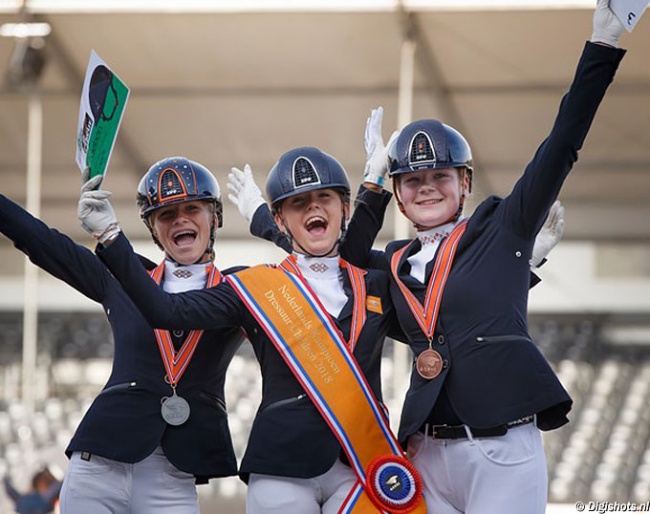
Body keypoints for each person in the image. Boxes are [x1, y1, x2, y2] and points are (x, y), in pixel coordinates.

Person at [329, 2, 626, 512]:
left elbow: (562, 145)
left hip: (499, 445)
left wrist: (603, 44)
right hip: (425, 450)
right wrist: (373, 185)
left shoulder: (502, 226)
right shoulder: (398, 260)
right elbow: (350, 263)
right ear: (400, 195)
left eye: (439, 177)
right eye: (412, 181)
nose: (426, 189)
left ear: (464, 182)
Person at [80, 146, 430, 514]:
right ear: (280, 221)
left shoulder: (377, 284)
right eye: (298, 203)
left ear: (345, 208)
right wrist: (111, 236)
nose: (313, 208)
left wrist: (373, 191)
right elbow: (165, 310)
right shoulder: (256, 286)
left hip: (360, 467)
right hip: (281, 465)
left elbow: (420, 323)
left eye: (323, 197)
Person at [0, 156, 243, 514]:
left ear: (215, 217)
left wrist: (270, 224)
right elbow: (42, 242)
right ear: (154, 229)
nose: (180, 220)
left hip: (173, 476)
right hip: (99, 464)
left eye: (192, 208)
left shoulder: (240, 287)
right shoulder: (123, 277)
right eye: (166, 214)